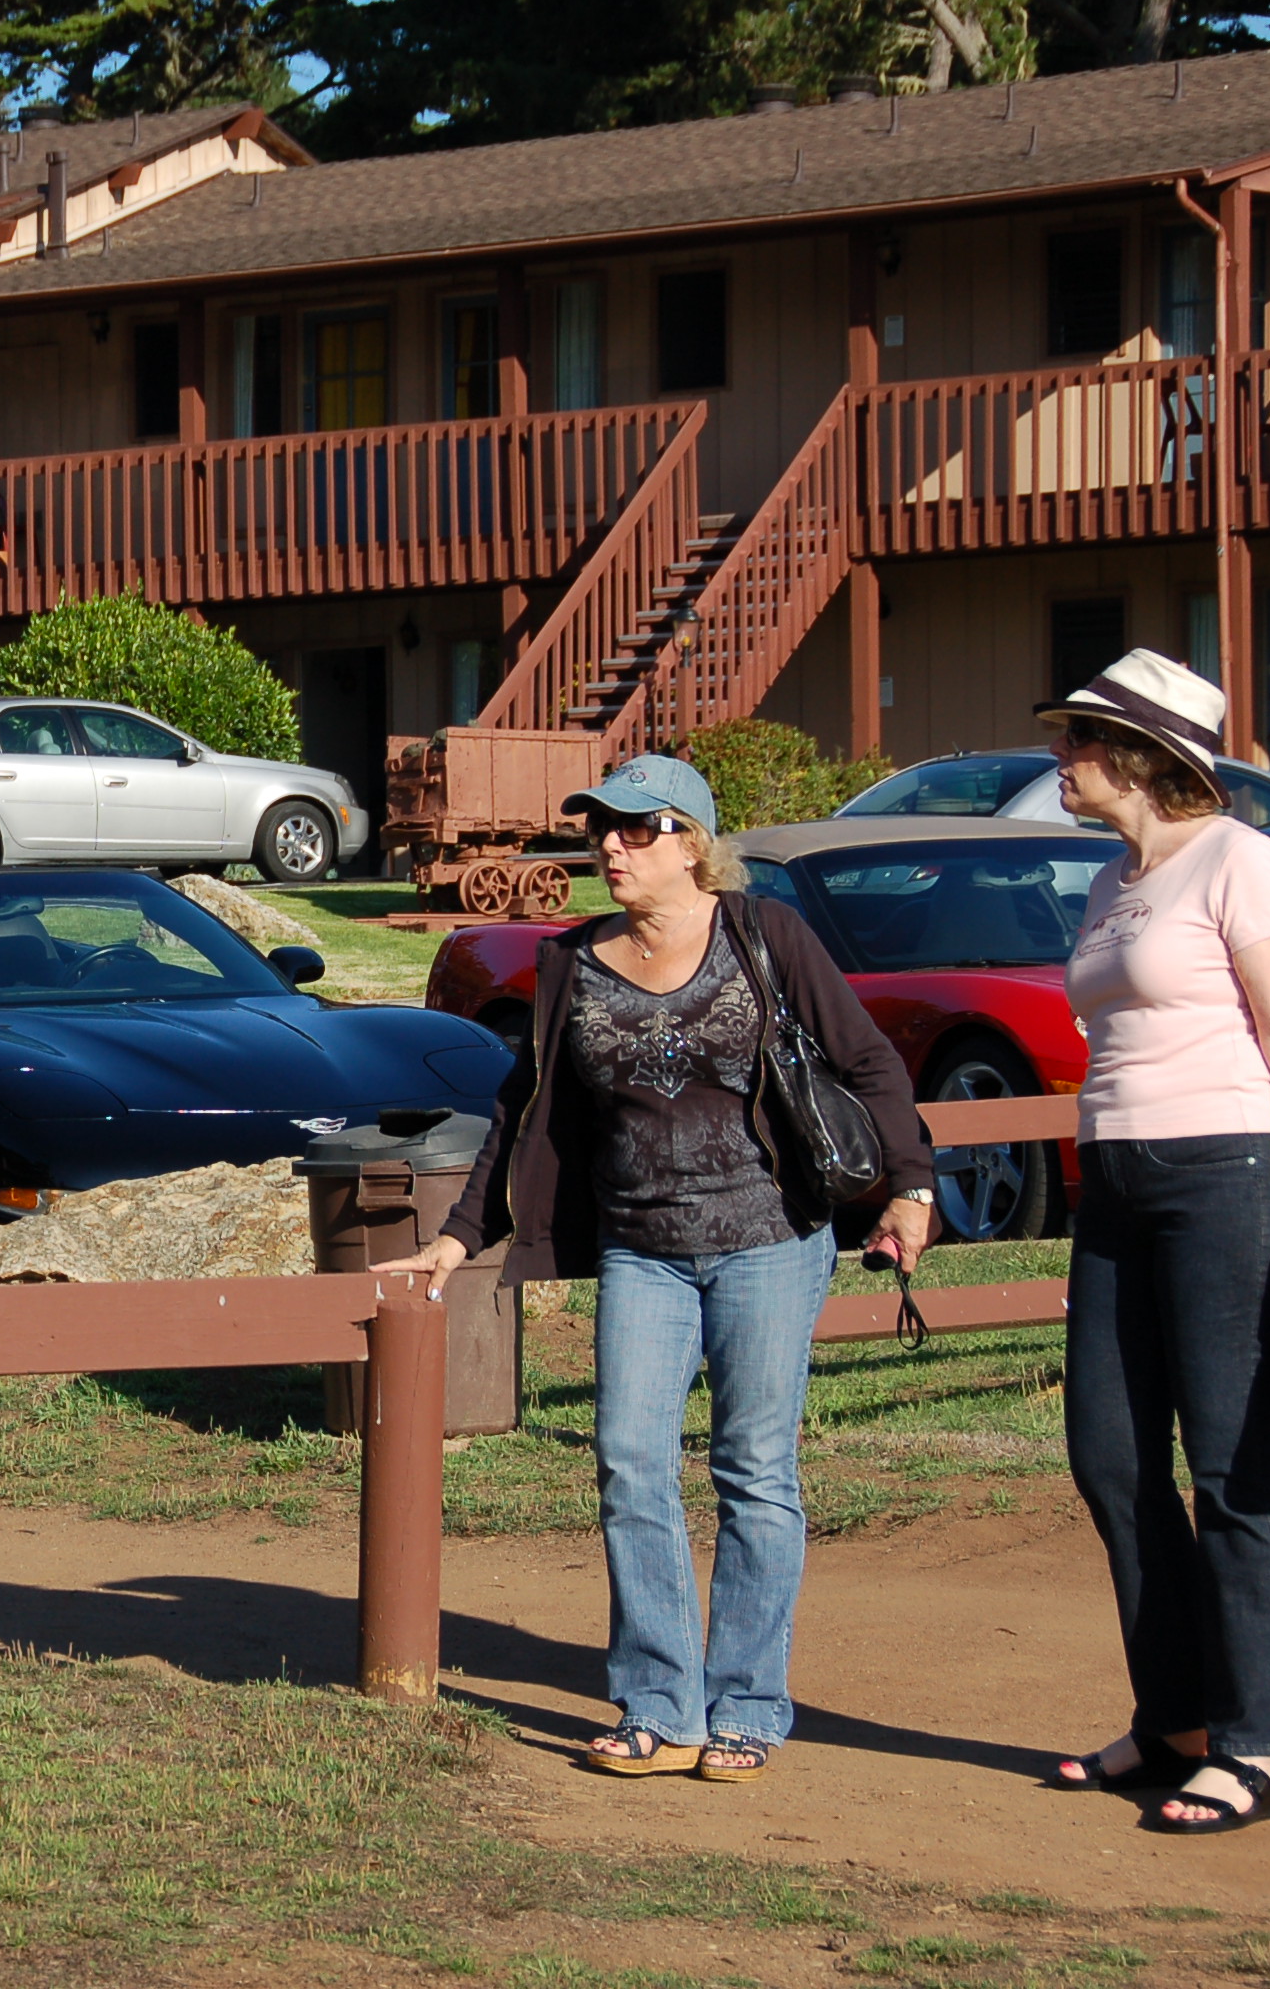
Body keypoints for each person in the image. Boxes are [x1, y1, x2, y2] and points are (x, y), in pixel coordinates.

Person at [378, 754, 934, 1784]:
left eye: (636, 830)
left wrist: (909, 1187)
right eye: (602, 830)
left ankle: (748, 1705)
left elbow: (866, 1062)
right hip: (641, 1248)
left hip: (768, 1238)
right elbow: (520, 1112)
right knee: (630, 1460)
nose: (611, 847)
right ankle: (657, 1703)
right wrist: (458, 1235)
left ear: (691, 840)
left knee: (751, 1470)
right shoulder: (568, 963)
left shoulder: (766, 937)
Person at [1037, 651, 1270, 1834]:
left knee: (1230, 1468)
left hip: (1225, 1175)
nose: (1059, 758)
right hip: (1111, 1181)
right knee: (1109, 1458)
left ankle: (1257, 1745)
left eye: (1076, 740)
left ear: (1138, 756)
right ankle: (1176, 1719)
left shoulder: (1240, 861)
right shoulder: (1114, 877)